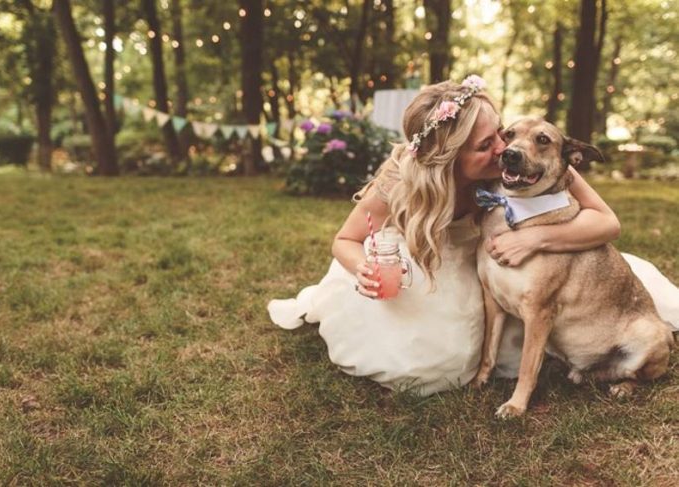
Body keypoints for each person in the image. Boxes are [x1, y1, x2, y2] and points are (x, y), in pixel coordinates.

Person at [268, 76, 679, 396]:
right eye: (488, 144)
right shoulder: (401, 180)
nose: (506, 148)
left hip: (513, 265)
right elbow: (345, 240)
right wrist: (365, 269)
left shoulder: (532, 164)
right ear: (448, 157)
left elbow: (607, 223)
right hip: (430, 268)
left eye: (501, 132)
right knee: (438, 364)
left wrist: (535, 241)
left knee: (608, 307)